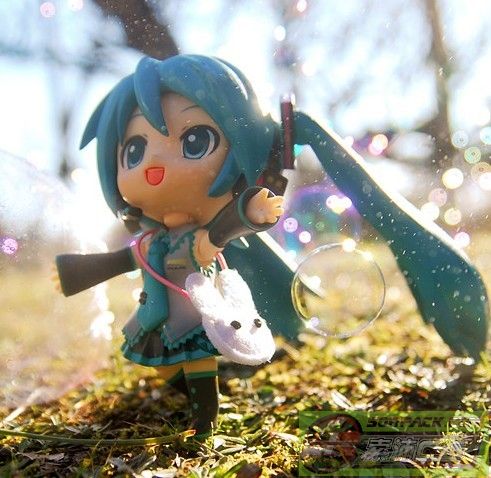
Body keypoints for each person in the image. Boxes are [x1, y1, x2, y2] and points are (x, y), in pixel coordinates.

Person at [56, 54, 488, 437]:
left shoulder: (193, 240)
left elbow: (218, 237)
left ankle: (204, 418)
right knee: (164, 363)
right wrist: (78, 273)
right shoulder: (154, 240)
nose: (152, 163)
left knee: (199, 359)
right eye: (133, 150)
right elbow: (123, 259)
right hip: (158, 316)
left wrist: (249, 213)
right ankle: (182, 390)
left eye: (195, 141)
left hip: (198, 315)